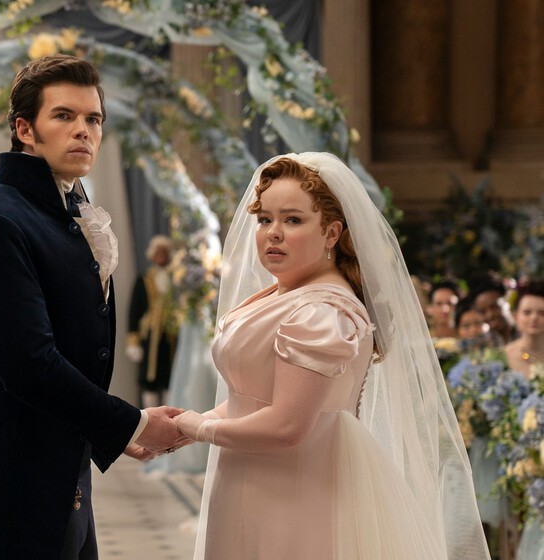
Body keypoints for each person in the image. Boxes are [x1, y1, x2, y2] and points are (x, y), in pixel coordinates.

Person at [172, 153, 489, 559]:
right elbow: (252, 396)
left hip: (295, 489)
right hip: (251, 478)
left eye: (293, 220)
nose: (273, 233)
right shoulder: (288, 293)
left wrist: (199, 428)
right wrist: (182, 428)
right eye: (265, 219)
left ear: (331, 233)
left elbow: (286, 425)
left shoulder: (321, 313)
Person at [0, 54, 185, 559]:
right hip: (10, 481)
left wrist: (103, 433)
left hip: (62, 467)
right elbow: (30, 366)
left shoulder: (65, 213)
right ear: (24, 130)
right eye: (64, 116)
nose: (83, 130)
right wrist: (131, 423)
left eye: (93, 119)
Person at [127, 234, 177, 407]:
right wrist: (133, 342)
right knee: (149, 380)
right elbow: (134, 311)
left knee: (170, 377)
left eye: (164, 253)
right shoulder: (143, 279)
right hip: (149, 337)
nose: (161, 256)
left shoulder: (176, 279)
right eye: (158, 253)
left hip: (171, 336)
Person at [504, 279, 544, 378]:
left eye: (542, 313)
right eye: (527, 312)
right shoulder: (504, 357)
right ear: (515, 316)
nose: (534, 318)